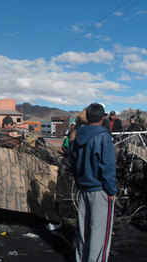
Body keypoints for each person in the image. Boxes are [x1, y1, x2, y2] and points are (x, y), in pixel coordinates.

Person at [69, 103, 117, 262]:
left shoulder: (77, 136)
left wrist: (79, 182)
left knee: (84, 231)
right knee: (99, 234)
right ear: (103, 118)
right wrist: (112, 190)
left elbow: (73, 162)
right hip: (100, 190)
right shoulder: (104, 137)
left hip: (83, 189)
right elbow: (107, 167)